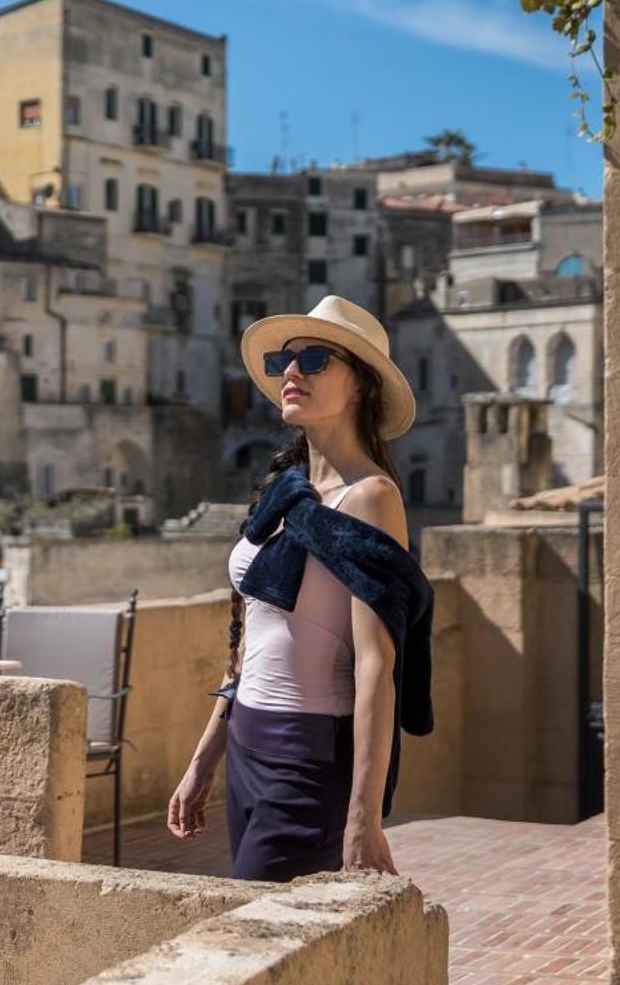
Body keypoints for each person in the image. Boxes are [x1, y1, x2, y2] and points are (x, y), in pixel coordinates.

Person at [166, 295, 435, 881]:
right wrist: (202, 762)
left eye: (314, 359)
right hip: (247, 748)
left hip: (308, 757)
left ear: (361, 385)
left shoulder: (370, 497)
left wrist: (364, 814)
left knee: (255, 932)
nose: (291, 372)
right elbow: (246, 650)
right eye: (282, 363)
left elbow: (375, 665)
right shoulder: (282, 493)